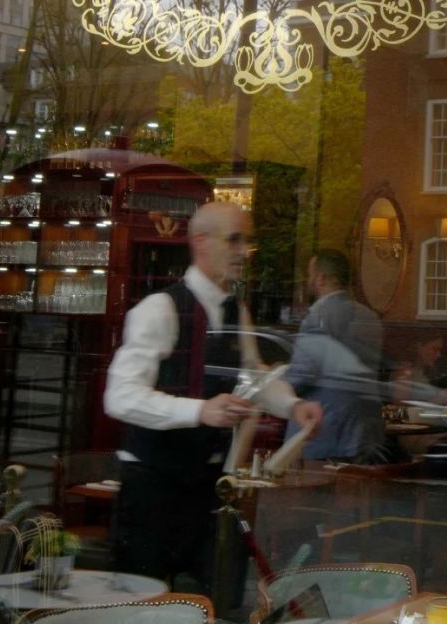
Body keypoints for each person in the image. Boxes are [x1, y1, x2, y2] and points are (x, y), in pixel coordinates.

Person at [104, 201, 323, 590]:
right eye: (235, 240)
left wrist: (293, 406)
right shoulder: (160, 309)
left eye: (247, 242)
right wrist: (199, 411)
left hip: (209, 485)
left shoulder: (236, 310)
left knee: (211, 596)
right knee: (143, 606)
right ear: (201, 242)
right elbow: (119, 397)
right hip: (152, 488)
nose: (244, 253)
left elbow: (254, 377)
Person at [283, 249, 388, 463]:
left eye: (311, 274)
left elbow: (302, 375)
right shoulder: (370, 317)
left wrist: (273, 381)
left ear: (321, 278)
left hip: (324, 431)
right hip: (365, 430)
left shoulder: (317, 317)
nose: (309, 279)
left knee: (316, 495)